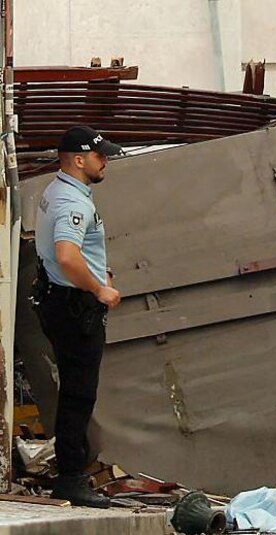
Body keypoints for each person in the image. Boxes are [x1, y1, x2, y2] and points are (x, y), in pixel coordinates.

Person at [31, 126, 123, 508]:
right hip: (74, 307)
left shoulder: (55, 190)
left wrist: (101, 271)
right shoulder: (74, 202)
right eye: (100, 156)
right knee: (79, 394)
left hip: (56, 298)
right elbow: (67, 256)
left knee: (75, 390)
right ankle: (71, 478)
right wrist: (99, 288)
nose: (106, 162)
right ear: (79, 160)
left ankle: (72, 472)